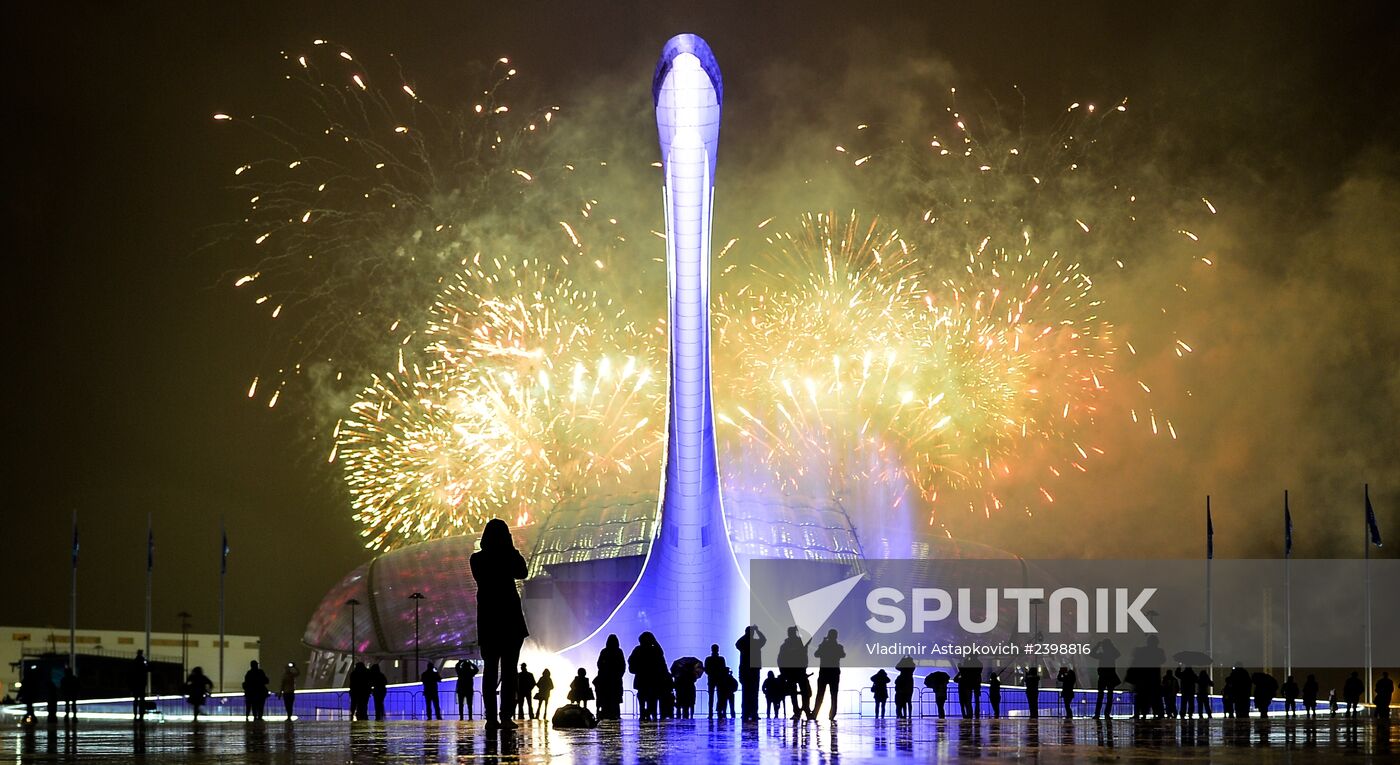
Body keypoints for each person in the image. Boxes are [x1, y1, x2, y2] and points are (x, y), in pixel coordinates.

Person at [470, 518, 529, 734]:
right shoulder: (507, 557)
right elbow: (523, 572)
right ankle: (506, 716)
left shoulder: (476, 559)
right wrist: (511, 549)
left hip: (488, 620)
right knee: (510, 671)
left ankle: (492, 717)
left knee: (490, 671)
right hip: (510, 619)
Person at [628, 632, 667, 722]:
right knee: (652, 699)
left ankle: (643, 714)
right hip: (653, 679)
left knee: (642, 698)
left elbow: (631, 661)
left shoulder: (637, 650)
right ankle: (650, 713)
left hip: (641, 679)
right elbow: (661, 655)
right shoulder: (655, 650)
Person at [777, 627, 813, 720]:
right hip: (794, 672)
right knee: (801, 692)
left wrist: (782, 671)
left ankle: (802, 711)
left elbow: (780, 660)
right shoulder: (794, 644)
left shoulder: (793, 644)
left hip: (796, 671)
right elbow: (780, 659)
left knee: (802, 692)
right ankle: (802, 711)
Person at [812, 629, 845, 720]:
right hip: (833, 673)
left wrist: (823, 643)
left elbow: (816, 654)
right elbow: (842, 655)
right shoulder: (838, 647)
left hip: (824, 673)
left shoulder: (824, 646)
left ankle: (815, 714)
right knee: (833, 695)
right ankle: (831, 715)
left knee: (820, 695)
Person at [735, 626, 767, 722]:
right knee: (754, 693)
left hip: (745, 670)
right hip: (754, 670)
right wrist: (757, 631)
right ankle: (753, 713)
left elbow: (737, 644)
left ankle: (745, 713)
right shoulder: (756, 643)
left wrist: (746, 634)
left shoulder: (743, 642)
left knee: (746, 693)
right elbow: (763, 639)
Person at [595, 634, 625, 720]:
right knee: (615, 701)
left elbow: (599, 664)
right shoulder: (619, 652)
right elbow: (622, 665)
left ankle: (605, 714)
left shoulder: (604, 651)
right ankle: (616, 715)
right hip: (615, 680)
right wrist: (619, 675)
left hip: (605, 680)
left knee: (606, 699)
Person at [1090, 639, 1120, 720]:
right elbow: (1118, 654)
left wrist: (1097, 645)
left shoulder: (1102, 655)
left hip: (1103, 677)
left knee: (1100, 696)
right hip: (1110, 677)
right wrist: (1112, 646)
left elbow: (1091, 654)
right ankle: (1106, 714)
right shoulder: (1112, 655)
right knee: (1109, 696)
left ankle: (1097, 714)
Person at [704, 644, 728, 718]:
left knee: (711, 697)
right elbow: (723, 669)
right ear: (718, 650)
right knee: (720, 696)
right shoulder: (721, 659)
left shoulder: (708, 659)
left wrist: (712, 673)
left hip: (711, 679)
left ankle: (710, 713)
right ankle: (720, 711)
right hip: (719, 679)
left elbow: (706, 670)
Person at [129, 650, 150, 720]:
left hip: (135, 683)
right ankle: (141, 714)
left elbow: (131, 674)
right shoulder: (143, 661)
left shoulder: (134, 662)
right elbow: (148, 668)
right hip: (142, 683)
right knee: (142, 700)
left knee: (135, 700)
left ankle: (135, 714)